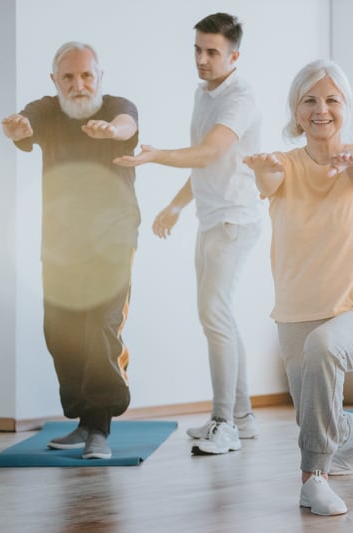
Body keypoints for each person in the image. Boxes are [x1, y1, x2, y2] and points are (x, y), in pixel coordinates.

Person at [243, 59, 353, 516]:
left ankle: (314, 479)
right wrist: (261, 169)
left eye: (332, 99)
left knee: (325, 348)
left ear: (345, 106)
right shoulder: (284, 165)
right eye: (310, 100)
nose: (320, 109)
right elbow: (269, 183)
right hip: (295, 313)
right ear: (296, 109)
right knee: (312, 413)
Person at [113, 12, 263, 455]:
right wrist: (176, 206)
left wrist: (155, 155)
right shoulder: (205, 93)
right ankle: (242, 417)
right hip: (212, 218)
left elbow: (210, 150)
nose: (201, 58)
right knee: (220, 316)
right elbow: (207, 162)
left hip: (235, 221)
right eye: (197, 49)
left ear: (234, 55)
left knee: (214, 315)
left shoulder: (241, 96)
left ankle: (225, 423)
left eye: (212, 52)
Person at [1, 42, 140, 460]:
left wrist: (113, 132)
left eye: (86, 76)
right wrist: (17, 128)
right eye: (68, 77)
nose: (78, 85)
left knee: (101, 326)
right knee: (61, 332)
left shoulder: (118, 106)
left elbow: (127, 125)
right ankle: (82, 422)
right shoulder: (47, 110)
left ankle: (100, 426)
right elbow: (26, 125)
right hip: (61, 243)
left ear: (100, 76)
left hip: (113, 240)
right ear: (55, 81)